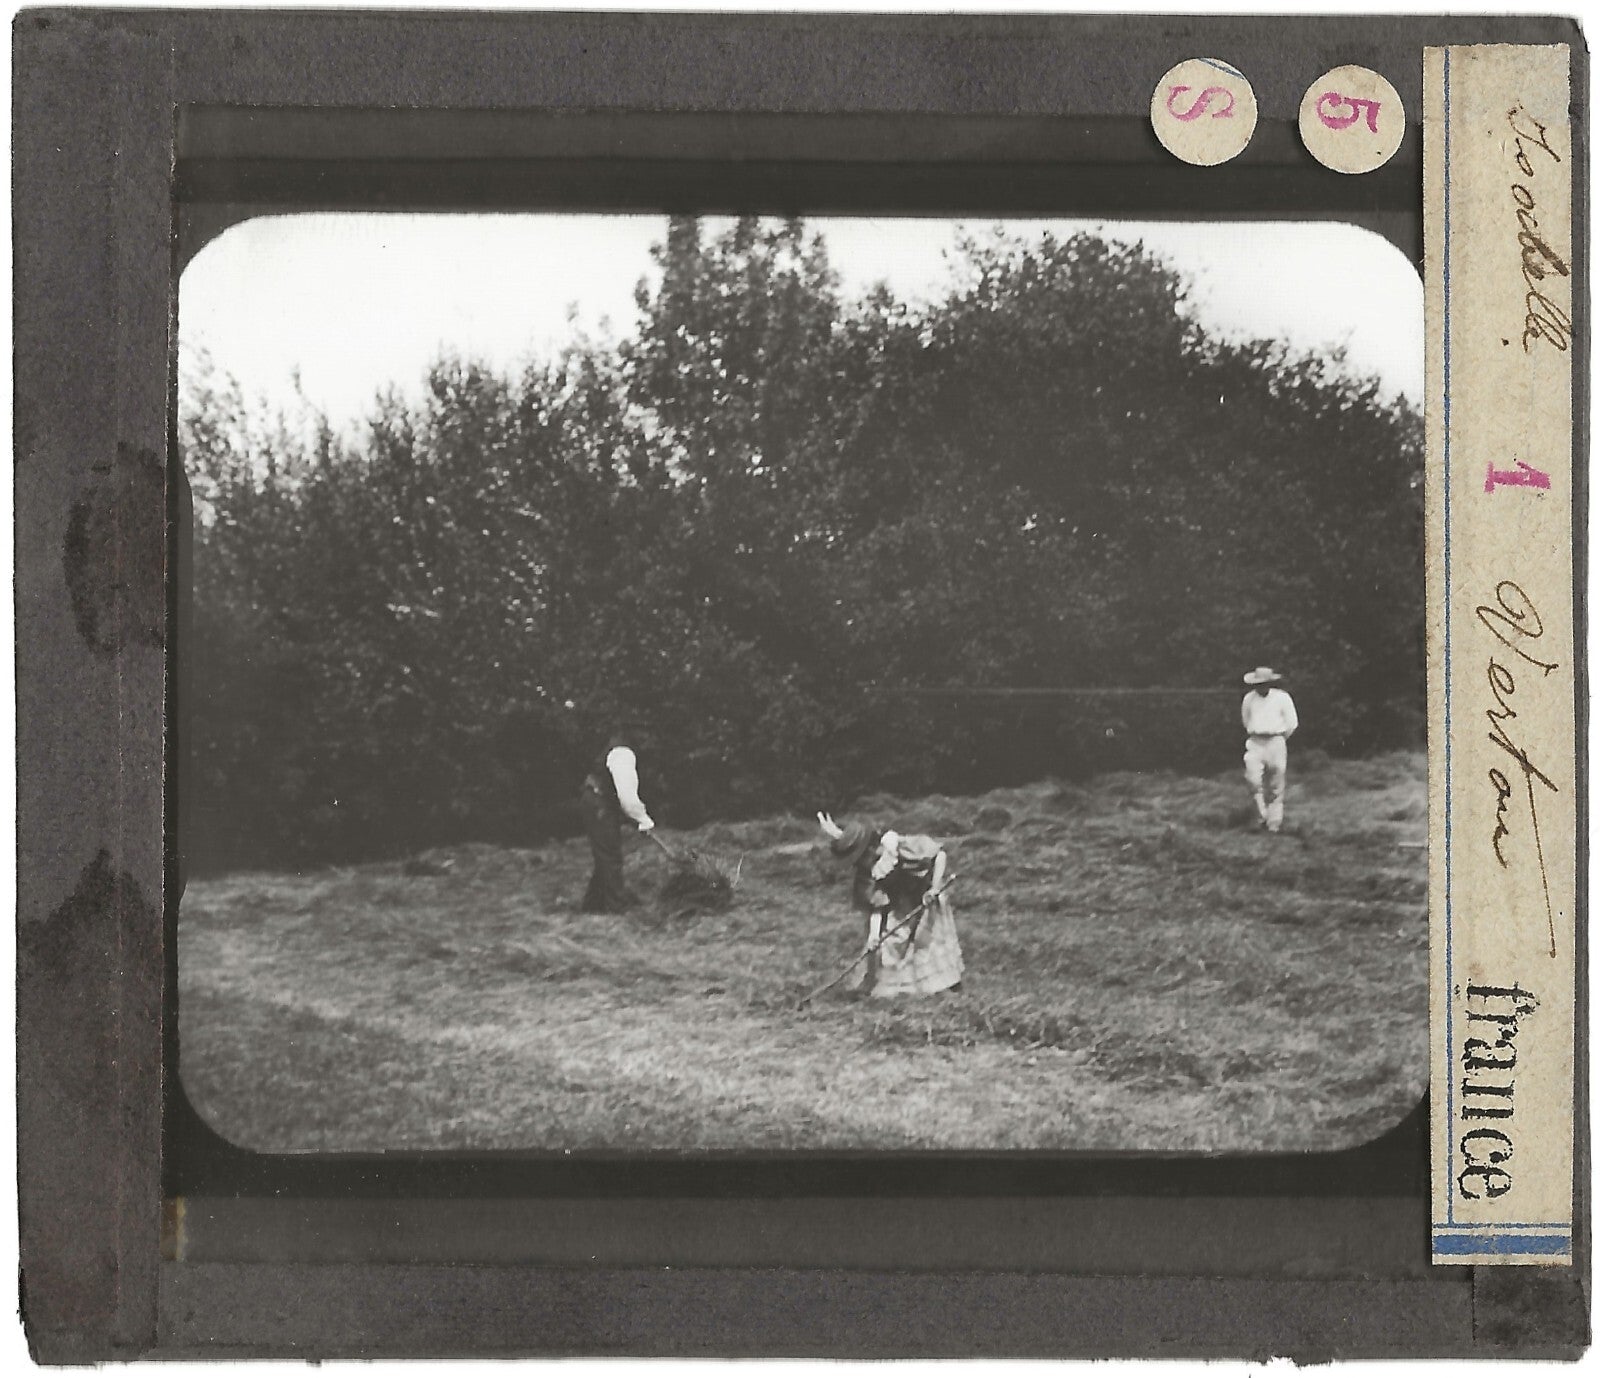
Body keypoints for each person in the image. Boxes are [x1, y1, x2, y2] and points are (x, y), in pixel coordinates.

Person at [816, 813, 964, 997]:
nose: (859, 864)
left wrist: (934, 888)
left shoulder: (898, 847)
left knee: (927, 941)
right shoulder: (868, 873)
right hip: (900, 904)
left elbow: (939, 855)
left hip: (925, 896)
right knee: (891, 944)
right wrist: (873, 936)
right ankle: (903, 987)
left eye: (860, 858)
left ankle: (944, 985)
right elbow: (877, 906)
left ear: (869, 849)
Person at [579, 730, 655, 912]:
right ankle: (616, 909)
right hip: (598, 803)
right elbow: (627, 797)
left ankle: (592, 906)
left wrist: (640, 819)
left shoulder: (621, 749)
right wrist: (644, 820)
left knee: (605, 855)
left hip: (599, 801)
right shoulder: (622, 754)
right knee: (610, 857)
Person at [1240, 667, 1298, 834]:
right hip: (1255, 742)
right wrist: (1258, 734)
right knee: (1253, 780)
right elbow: (1246, 720)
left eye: (1264, 683)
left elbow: (1292, 723)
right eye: (1258, 684)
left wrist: (1278, 739)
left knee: (1276, 783)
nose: (1261, 686)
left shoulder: (1282, 698)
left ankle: (1274, 823)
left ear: (1270, 683)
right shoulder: (1249, 699)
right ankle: (1261, 816)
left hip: (1276, 742)